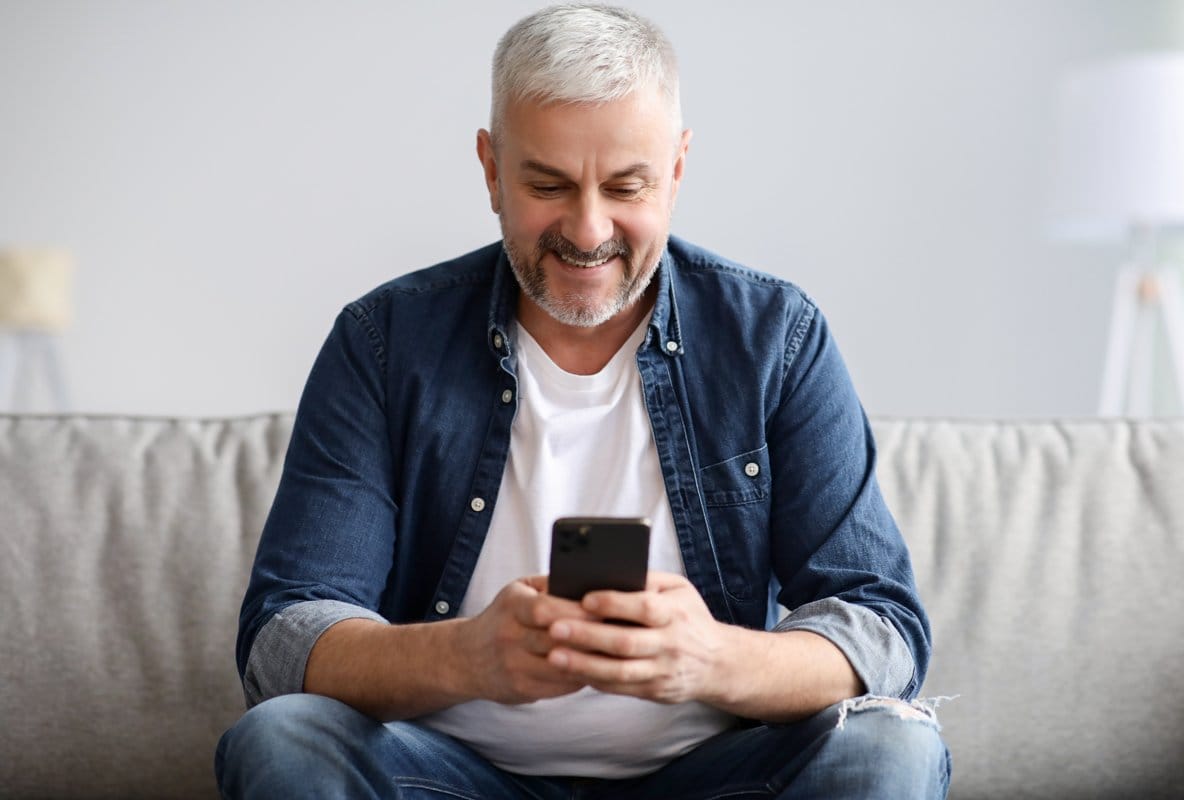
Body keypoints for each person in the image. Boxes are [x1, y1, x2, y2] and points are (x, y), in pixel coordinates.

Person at [215, 4, 950, 798]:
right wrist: (468, 657)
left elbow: (884, 629)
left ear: (676, 169)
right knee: (283, 739)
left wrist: (712, 659)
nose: (589, 229)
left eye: (627, 184)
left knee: (889, 751)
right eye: (548, 183)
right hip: (449, 780)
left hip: (713, 780)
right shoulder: (383, 343)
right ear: (491, 168)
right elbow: (283, 639)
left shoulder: (776, 338)